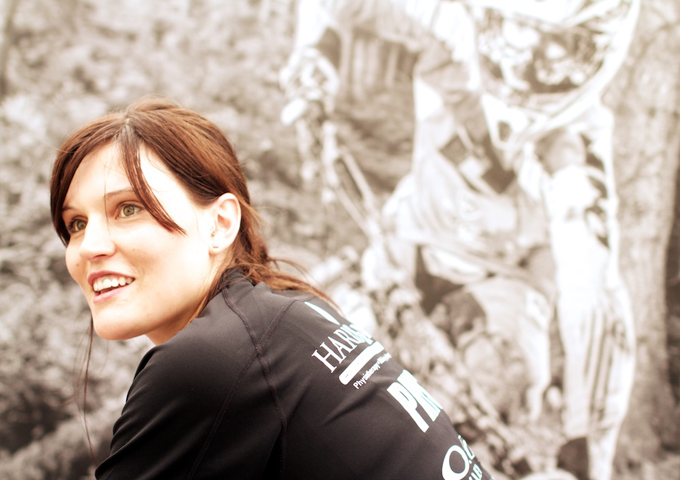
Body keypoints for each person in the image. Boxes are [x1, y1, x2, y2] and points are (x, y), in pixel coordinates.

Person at [280, 1, 639, 479]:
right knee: (309, 373)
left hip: (502, 292)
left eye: (560, 51)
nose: (527, 65)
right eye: (517, 34)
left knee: (489, 391)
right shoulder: (450, 26)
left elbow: (591, 289)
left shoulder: (574, 156)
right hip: (404, 251)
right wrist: (316, 59)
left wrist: (587, 447)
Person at [49, 97, 494, 479]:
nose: (89, 246)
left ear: (220, 223)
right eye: (77, 223)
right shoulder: (292, 315)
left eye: (128, 209)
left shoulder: (205, 363)